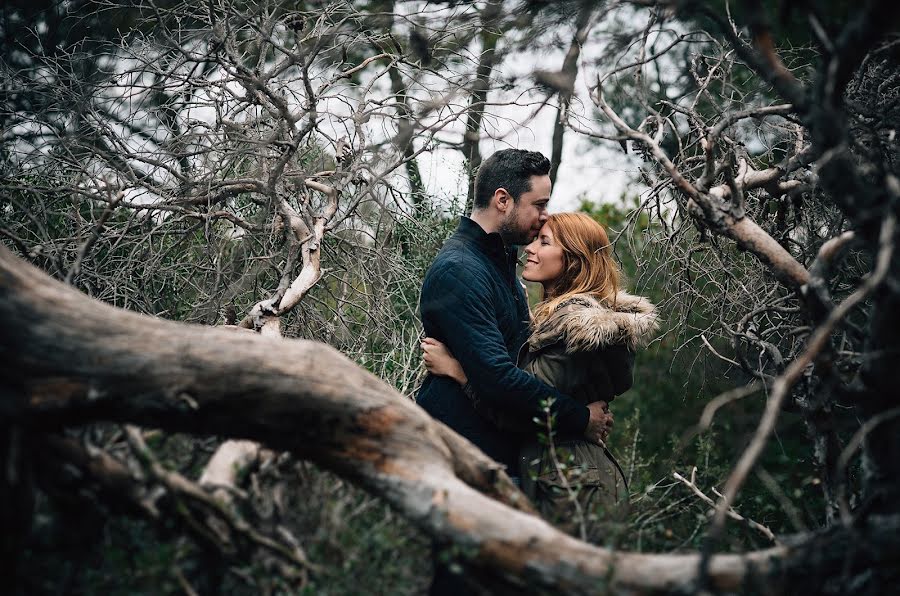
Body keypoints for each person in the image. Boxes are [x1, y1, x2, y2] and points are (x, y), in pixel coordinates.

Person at [416, 150, 612, 594]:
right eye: (539, 205)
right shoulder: (459, 270)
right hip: (464, 451)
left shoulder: (500, 260)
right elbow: (500, 379)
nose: (544, 218)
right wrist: (581, 418)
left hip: (500, 450)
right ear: (503, 200)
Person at [422, 212, 658, 542]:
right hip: (566, 474)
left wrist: (457, 371)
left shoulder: (572, 328)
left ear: (574, 261)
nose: (530, 249)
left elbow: (523, 409)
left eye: (544, 242)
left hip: (572, 481)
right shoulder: (557, 320)